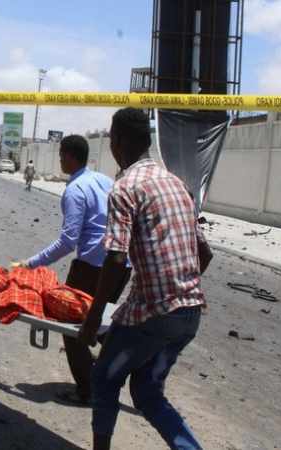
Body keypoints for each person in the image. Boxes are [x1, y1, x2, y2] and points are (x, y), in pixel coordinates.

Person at [79, 108, 213, 450]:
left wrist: (94, 317)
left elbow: (116, 257)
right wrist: (179, 283)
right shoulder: (178, 184)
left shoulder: (126, 188)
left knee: (104, 377)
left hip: (155, 312)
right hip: (190, 312)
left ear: (118, 141)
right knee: (147, 392)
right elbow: (205, 255)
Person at [11, 135, 130, 405]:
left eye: (62, 155)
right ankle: (120, 360)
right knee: (100, 320)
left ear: (69, 156)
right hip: (120, 265)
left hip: (92, 268)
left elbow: (68, 241)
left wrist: (30, 264)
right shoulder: (103, 180)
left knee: (73, 327)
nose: (61, 159)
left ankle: (88, 390)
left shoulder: (75, 190)